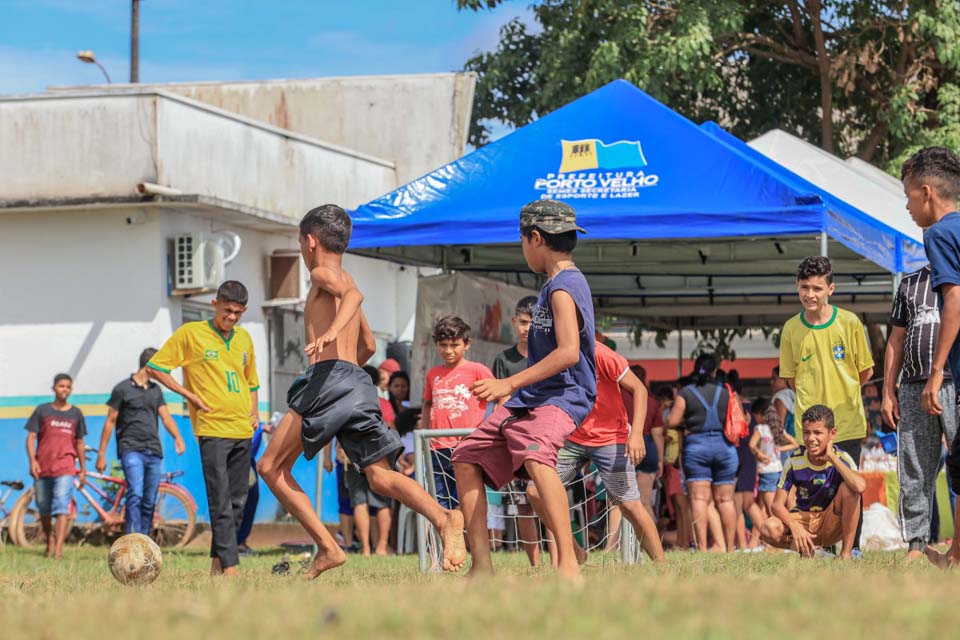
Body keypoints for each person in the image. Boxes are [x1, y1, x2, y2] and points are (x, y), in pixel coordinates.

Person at [256, 204, 465, 578]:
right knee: (380, 477)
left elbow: (355, 299)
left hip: (329, 378)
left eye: (300, 244)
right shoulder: (344, 275)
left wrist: (332, 337)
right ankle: (444, 517)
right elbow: (367, 344)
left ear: (310, 241)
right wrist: (345, 355)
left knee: (270, 466)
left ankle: (328, 547)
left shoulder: (323, 273)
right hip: (356, 381)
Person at [453, 199, 596, 580]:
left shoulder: (566, 286)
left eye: (522, 241)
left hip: (564, 394)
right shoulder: (551, 284)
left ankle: (567, 564)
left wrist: (509, 382)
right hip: (533, 397)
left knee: (535, 455)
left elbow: (568, 353)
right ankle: (482, 566)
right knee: (466, 455)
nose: (522, 248)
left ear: (535, 238)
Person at [147, 280, 260, 576]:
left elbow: (252, 381)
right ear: (215, 304)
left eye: (238, 312)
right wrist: (189, 395)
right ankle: (232, 569)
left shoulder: (244, 339)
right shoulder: (191, 334)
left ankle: (217, 565)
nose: (232, 317)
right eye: (227, 311)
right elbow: (156, 368)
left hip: (243, 431)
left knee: (238, 502)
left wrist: (255, 410)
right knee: (220, 499)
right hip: (212, 429)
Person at [528, 341, 665, 563]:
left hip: (610, 439)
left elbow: (639, 389)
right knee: (535, 492)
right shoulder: (551, 353)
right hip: (570, 439)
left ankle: (662, 565)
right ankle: (575, 551)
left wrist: (637, 433)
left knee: (629, 505)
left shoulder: (601, 353)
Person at [778, 255, 874, 554]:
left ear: (830, 288)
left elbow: (865, 371)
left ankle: (852, 549)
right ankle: (823, 549)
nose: (810, 294)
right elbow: (791, 378)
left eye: (817, 288)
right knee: (814, 489)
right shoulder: (791, 329)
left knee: (849, 488)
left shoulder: (849, 322)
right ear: (797, 287)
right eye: (805, 287)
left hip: (846, 423)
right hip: (810, 429)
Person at [899, 146, 960, 568]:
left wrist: (935, 373)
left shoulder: (938, 234)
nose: (907, 206)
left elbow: (954, 301)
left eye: (907, 196)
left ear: (926, 193)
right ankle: (955, 556)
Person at [881, 264, 958, 560]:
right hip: (913, 386)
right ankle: (916, 543)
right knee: (913, 466)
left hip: (956, 382)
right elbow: (895, 340)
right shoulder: (909, 283)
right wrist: (888, 391)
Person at [95, 348, 187, 535]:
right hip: (131, 449)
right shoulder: (122, 389)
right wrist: (101, 454)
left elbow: (166, 417)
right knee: (135, 493)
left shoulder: (156, 391)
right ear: (150, 366)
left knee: (149, 499)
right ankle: (131, 538)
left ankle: (144, 541)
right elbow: (110, 421)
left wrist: (178, 437)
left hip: (153, 450)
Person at [759, 405, 866, 559]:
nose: (811, 439)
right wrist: (794, 526)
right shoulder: (794, 461)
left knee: (850, 489)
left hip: (832, 523)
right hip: (804, 520)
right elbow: (776, 505)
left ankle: (845, 555)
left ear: (832, 433)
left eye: (817, 433)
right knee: (768, 528)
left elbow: (860, 487)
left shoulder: (841, 458)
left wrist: (833, 459)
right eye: (806, 433)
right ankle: (811, 551)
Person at [419, 316, 493, 509]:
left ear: (467, 344)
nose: (448, 351)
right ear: (436, 344)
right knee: (439, 502)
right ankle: (447, 540)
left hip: (466, 445)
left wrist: (489, 428)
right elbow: (427, 404)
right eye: (443, 345)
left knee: (469, 501)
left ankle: (472, 540)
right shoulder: (433, 373)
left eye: (454, 345)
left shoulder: (477, 370)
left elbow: (501, 396)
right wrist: (423, 434)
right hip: (436, 446)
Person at [666, 354, 738, 552]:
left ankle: (703, 547)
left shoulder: (686, 393)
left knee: (699, 499)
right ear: (715, 371)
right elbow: (741, 418)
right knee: (726, 500)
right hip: (725, 448)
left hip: (696, 447)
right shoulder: (726, 391)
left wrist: (687, 423)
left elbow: (671, 421)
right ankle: (730, 548)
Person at [491, 295, 543, 565]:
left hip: (545, 434)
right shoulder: (504, 359)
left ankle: (561, 559)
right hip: (514, 435)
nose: (527, 328)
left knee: (549, 499)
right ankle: (535, 564)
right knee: (523, 504)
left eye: (532, 322)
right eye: (522, 322)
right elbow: (500, 398)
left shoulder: (548, 355)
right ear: (513, 322)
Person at [25, 373, 86, 559]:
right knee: (43, 507)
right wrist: (33, 461)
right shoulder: (42, 411)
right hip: (43, 467)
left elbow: (80, 443)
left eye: (68, 387)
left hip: (66, 467)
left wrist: (82, 469)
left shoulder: (76, 414)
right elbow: (31, 437)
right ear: (53, 388)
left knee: (61, 506)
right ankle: (49, 540)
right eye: (61, 386)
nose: (64, 390)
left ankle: (58, 549)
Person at [749, 396, 798, 519]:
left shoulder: (760, 429)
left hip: (766, 471)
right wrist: (780, 449)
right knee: (782, 506)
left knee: (772, 512)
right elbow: (795, 444)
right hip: (779, 469)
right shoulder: (778, 429)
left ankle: (777, 535)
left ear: (759, 414)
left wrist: (759, 454)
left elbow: (751, 445)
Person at [771, 366, 796, 462]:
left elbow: (779, 427)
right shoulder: (793, 395)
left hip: (784, 448)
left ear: (784, 379)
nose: (771, 382)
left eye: (774, 379)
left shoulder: (780, 398)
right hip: (795, 444)